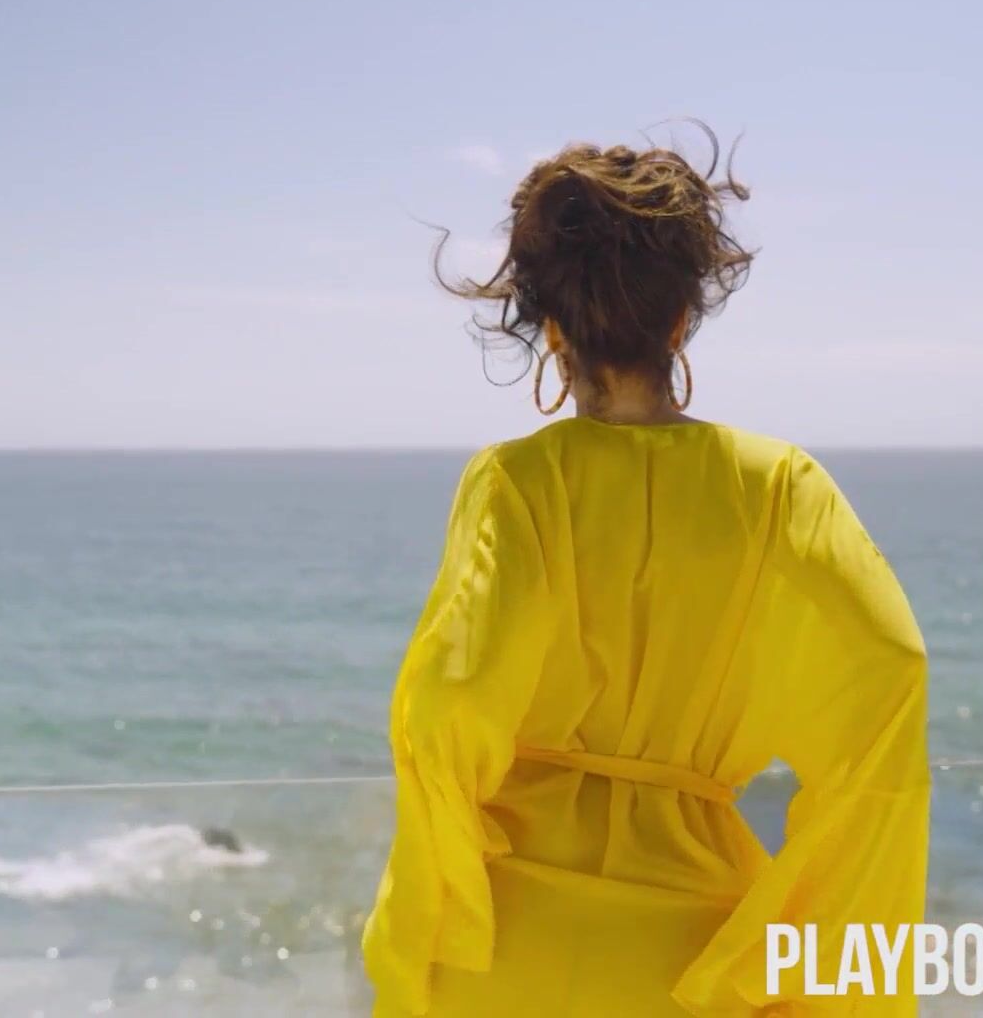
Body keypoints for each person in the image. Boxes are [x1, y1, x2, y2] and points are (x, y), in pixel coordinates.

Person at [361, 133, 931, 1016]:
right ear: (679, 323)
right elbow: (888, 680)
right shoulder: (780, 486)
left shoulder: (516, 481)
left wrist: (440, 894)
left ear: (553, 330)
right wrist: (804, 950)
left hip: (507, 948)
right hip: (694, 961)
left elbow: (455, 695)